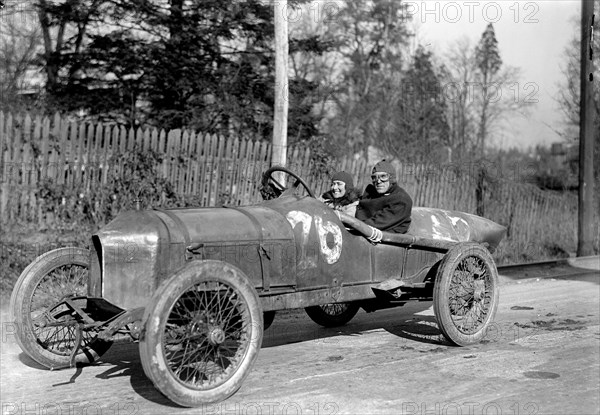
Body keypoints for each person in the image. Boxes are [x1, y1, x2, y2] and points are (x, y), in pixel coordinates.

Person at [355, 160, 412, 236]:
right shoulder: (371, 194)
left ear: (391, 179)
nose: (378, 181)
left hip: (388, 242)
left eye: (383, 177)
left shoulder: (401, 199)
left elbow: (375, 224)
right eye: (374, 177)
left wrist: (352, 221)